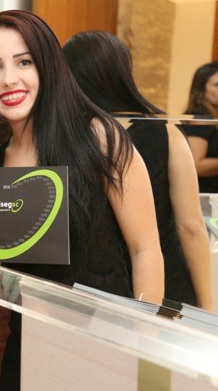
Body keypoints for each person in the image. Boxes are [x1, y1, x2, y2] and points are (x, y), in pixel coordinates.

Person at [0, 10, 164, 390]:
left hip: (105, 345)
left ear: (49, 66)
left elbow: (145, 249)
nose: (9, 79)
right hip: (28, 345)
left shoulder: (99, 137)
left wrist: (144, 338)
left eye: (24, 62)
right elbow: (9, 271)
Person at [63, 30, 212, 310]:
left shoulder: (70, 139)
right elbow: (191, 226)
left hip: (97, 293)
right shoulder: (166, 133)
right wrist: (208, 307)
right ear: (123, 73)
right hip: (167, 286)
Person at [182, 62, 218, 193]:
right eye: (217, 85)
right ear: (201, 89)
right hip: (202, 197)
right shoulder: (199, 119)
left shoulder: (212, 119)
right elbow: (195, 165)